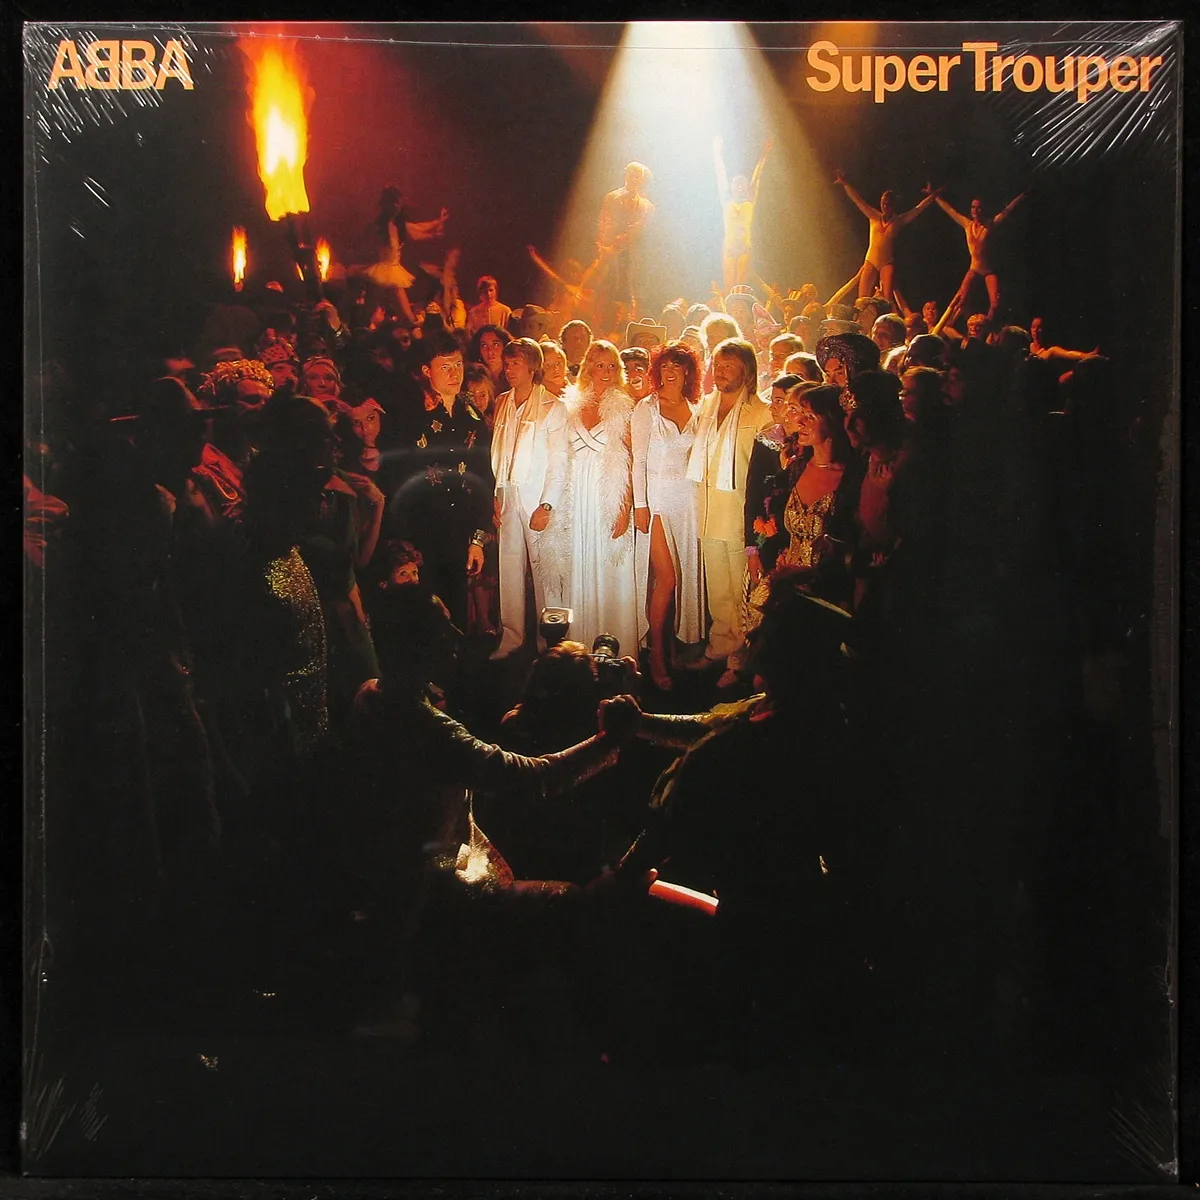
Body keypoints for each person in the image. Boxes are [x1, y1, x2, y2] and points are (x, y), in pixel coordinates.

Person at [388, 332, 493, 630]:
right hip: (420, 532)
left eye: (458, 365)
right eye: (445, 367)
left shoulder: (472, 416)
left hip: (459, 530)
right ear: (426, 370)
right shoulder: (409, 416)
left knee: (456, 613)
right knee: (421, 616)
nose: (454, 373)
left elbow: (483, 477)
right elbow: (398, 477)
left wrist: (477, 538)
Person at [684, 337, 773, 670]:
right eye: (717, 365)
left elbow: (766, 473)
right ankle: (720, 645)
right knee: (718, 589)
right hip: (707, 510)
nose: (720, 371)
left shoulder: (762, 412)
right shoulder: (706, 405)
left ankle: (742, 658)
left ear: (746, 370)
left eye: (728, 365)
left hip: (739, 513)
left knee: (742, 589)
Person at [489, 338, 570, 660]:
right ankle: (511, 637)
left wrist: (547, 504)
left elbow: (559, 462)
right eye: (507, 363)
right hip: (508, 495)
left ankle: (550, 642)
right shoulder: (503, 402)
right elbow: (499, 454)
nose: (509, 370)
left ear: (533, 367)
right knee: (508, 568)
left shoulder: (552, 406)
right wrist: (497, 494)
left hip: (537, 500)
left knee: (545, 574)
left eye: (517, 363)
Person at [631, 340, 704, 691]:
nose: (670, 371)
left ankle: (673, 648)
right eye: (664, 365)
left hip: (687, 503)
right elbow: (639, 460)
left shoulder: (697, 409)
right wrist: (640, 505)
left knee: (682, 579)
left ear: (688, 371)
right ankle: (656, 656)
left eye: (677, 365)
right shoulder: (647, 407)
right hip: (657, 501)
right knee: (667, 578)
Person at [562, 340, 639, 655]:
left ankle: (616, 644)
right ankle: (580, 645)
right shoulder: (571, 405)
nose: (605, 372)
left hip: (609, 496)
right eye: (599, 365)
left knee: (610, 565)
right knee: (578, 564)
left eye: (611, 366)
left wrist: (625, 506)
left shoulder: (625, 407)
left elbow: (632, 460)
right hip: (576, 499)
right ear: (588, 368)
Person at [772, 383, 862, 607]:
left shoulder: (852, 478)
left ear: (831, 421)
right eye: (801, 414)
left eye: (810, 416)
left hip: (826, 594)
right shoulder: (796, 469)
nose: (800, 422)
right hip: (788, 589)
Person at [834, 171, 940, 305]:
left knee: (886, 300)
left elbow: (918, 209)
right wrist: (845, 184)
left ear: (893, 205)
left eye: (888, 204)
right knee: (861, 300)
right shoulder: (873, 216)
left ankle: (885, 314)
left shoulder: (899, 221)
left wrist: (934, 194)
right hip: (870, 260)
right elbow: (858, 200)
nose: (885, 206)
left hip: (886, 262)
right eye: (883, 203)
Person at [933, 188, 1028, 325]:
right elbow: (950, 211)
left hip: (988, 270)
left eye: (979, 208)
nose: (975, 210)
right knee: (960, 300)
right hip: (974, 268)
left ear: (983, 209)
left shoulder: (990, 224)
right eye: (973, 207)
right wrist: (935, 196)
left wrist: (1022, 196)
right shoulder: (967, 224)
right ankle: (962, 325)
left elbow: (1007, 211)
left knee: (995, 304)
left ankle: (986, 327)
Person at [366, 185, 449, 323]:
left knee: (391, 315)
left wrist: (438, 223)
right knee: (404, 317)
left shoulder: (398, 226)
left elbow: (419, 229)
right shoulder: (380, 226)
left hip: (390, 272)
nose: (397, 206)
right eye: (394, 202)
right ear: (387, 204)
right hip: (385, 272)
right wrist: (437, 227)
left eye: (399, 202)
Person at [596, 162, 655, 329]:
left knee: (630, 289)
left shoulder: (647, 206)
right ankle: (604, 323)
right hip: (610, 252)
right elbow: (604, 222)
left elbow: (640, 228)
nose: (634, 178)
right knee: (607, 287)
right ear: (626, 175)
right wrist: (605, 246)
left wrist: (626, 240)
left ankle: (625, 324)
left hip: (631, 254)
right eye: (632, 174)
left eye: (638, 176)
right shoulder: (612, 197)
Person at [712, 136, 774, 289]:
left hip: (744, 246)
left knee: (740, 285)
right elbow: (721, 176)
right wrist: (717, 154)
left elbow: (757, 176)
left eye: (742, 184)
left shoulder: (750, 200)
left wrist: (763, 156)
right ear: (732, 187)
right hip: (729, 246)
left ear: (747, 187)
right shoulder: (726, 200)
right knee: (729, 285)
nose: (739, 187)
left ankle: (740, 301)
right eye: (736, 184)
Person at [468, 324, 513, 394]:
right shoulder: (473, 376)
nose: (490, 351)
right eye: (484, 345)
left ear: (505, 346)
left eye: (495, 344)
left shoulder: (514, 373)